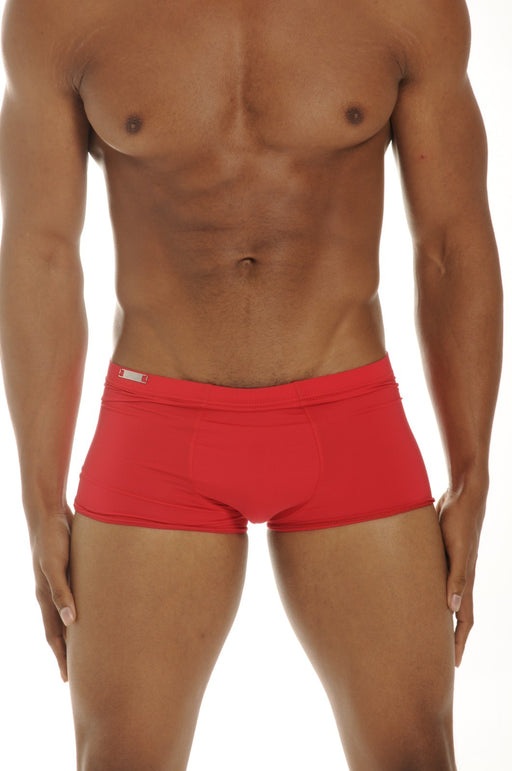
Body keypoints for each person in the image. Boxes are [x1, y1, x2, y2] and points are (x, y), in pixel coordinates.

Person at [0, 0, 503, 767]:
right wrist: (39, 497)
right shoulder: (63, 13)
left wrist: (473, 471)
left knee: (415, 752)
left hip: (349, 415)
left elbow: (450, 242)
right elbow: (40, 252)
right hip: (156, 426)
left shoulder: (405, 8)